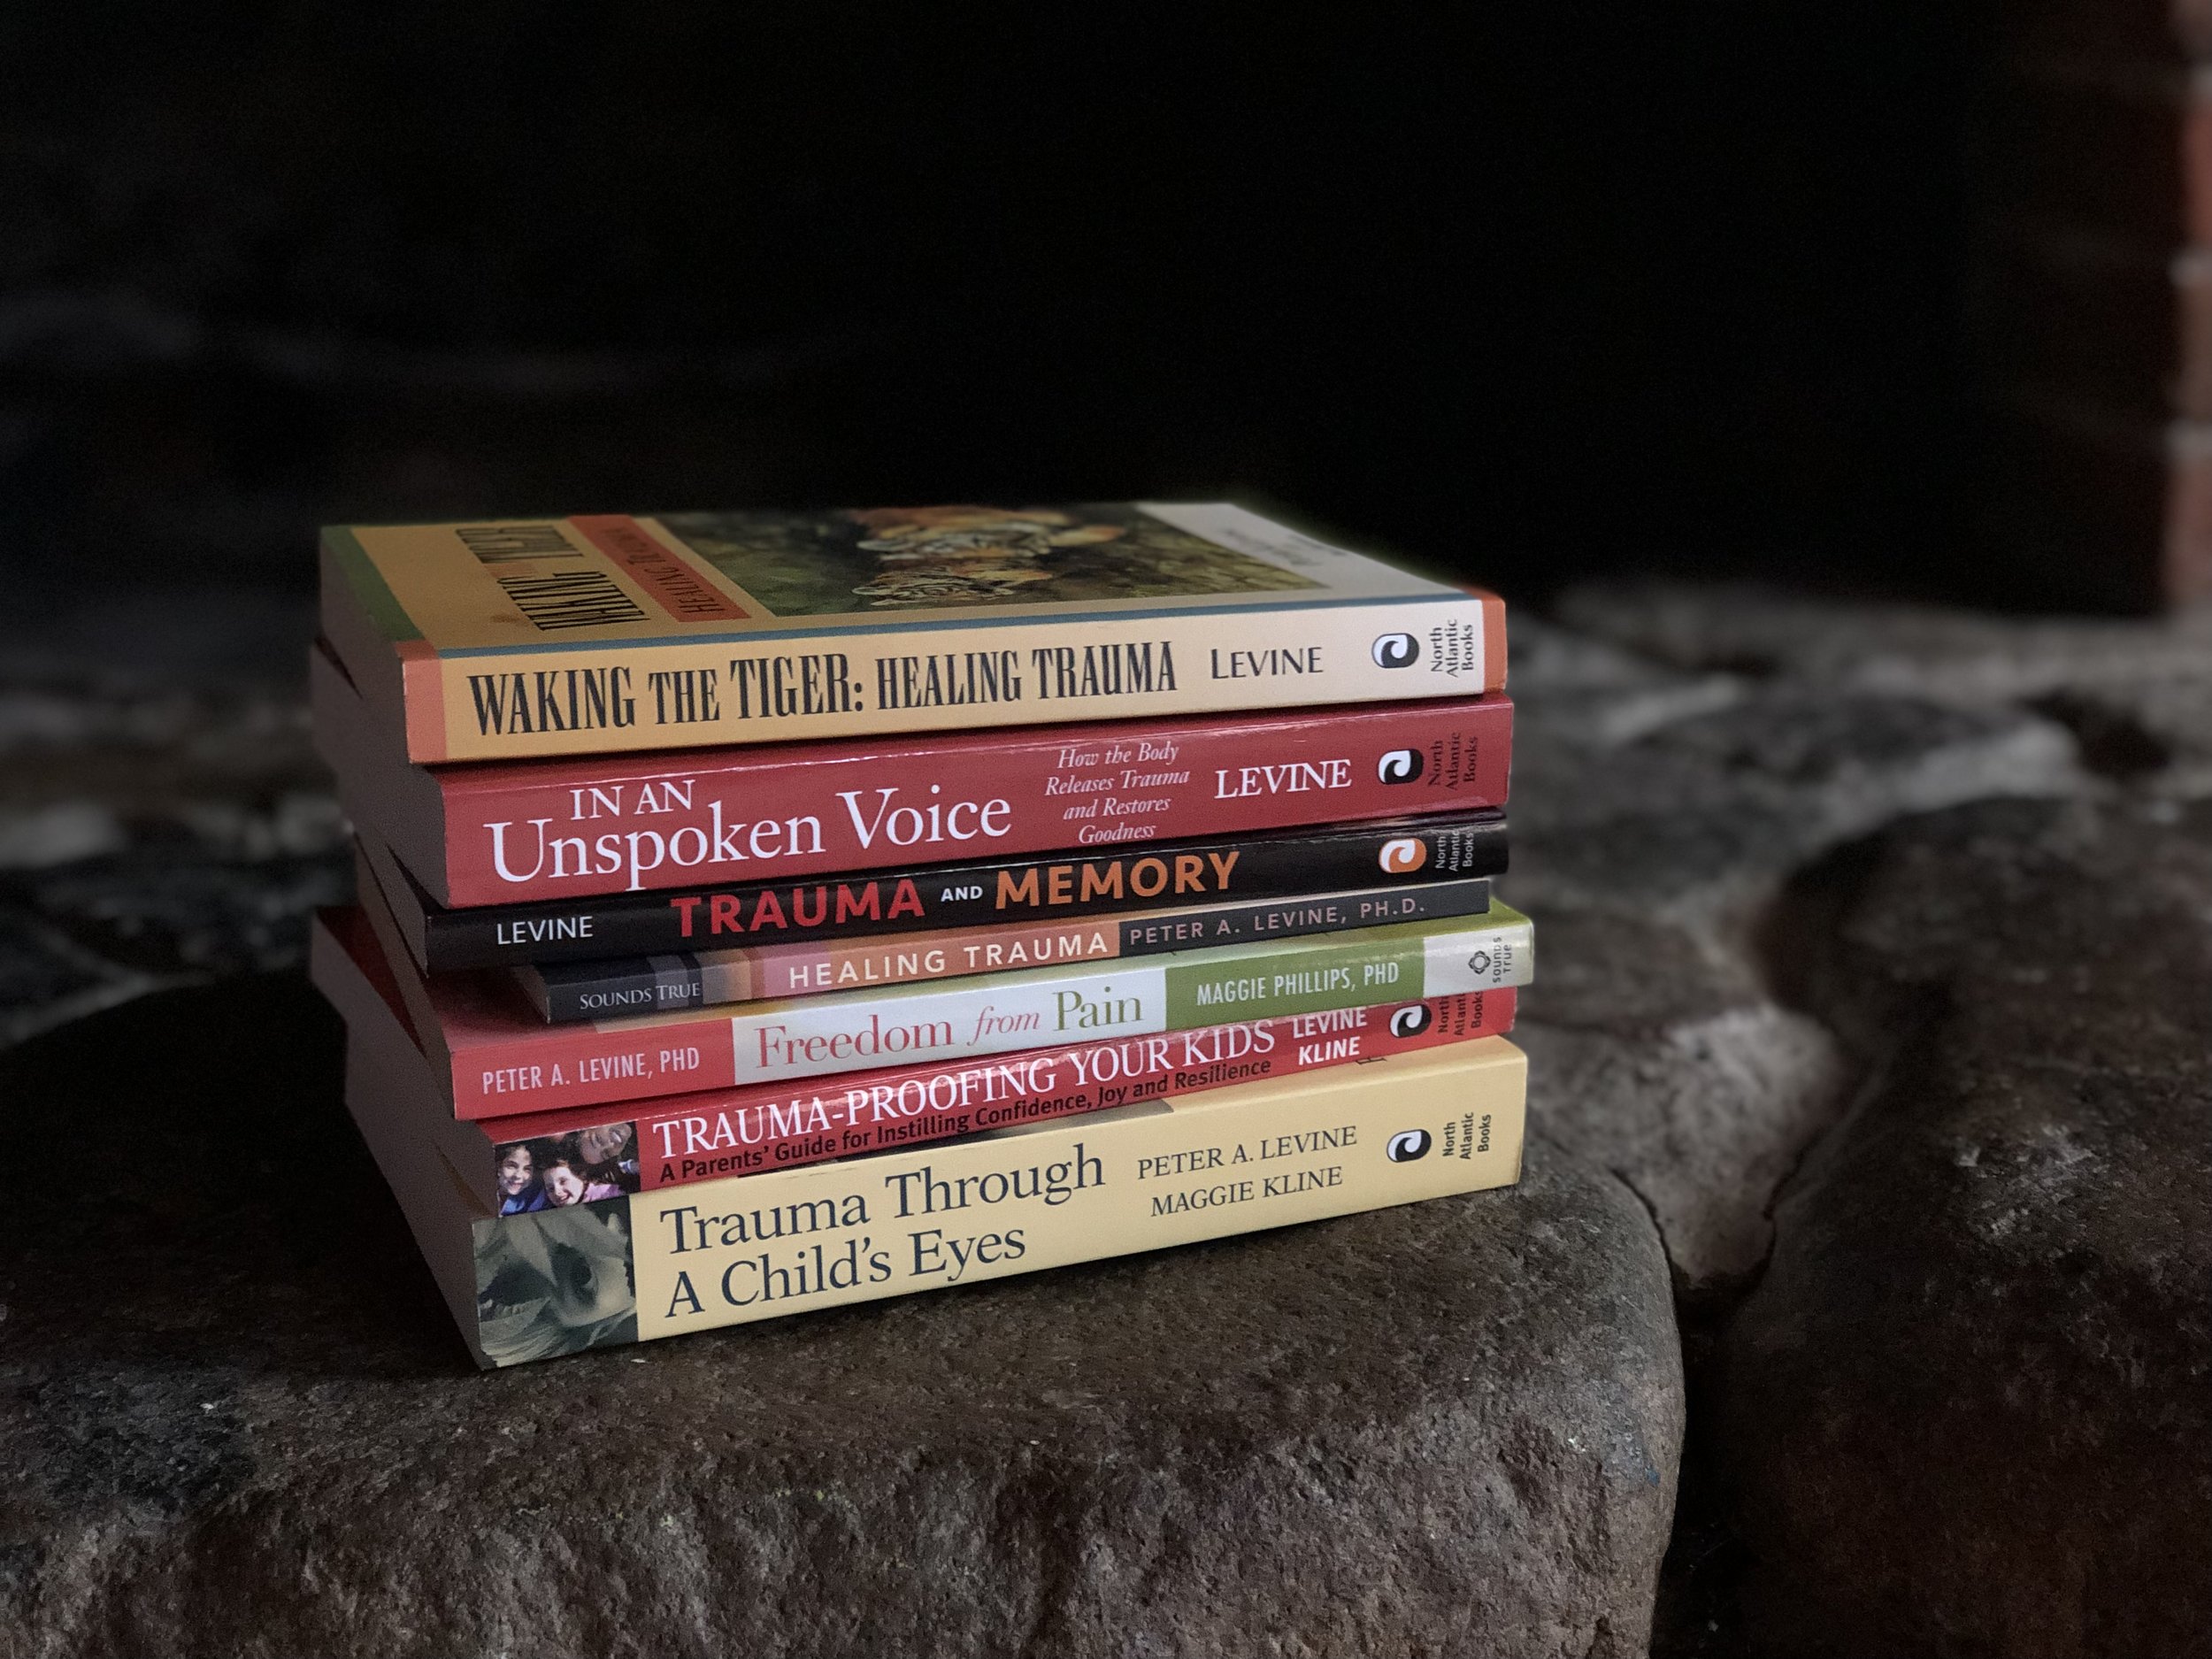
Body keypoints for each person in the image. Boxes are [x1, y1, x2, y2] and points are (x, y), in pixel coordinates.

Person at [539, 1151, 625, 1207]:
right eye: (550, 1188)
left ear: (580, 1177)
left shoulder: (608, 1195)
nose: (557, 1192)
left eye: (563, 1181)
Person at [494, 1141, 546, 1214]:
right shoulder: (482, 1190)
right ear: (499, 1167)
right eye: (511, 1166)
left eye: (527, 1169)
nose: (518, 1176)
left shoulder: (536, 1197)